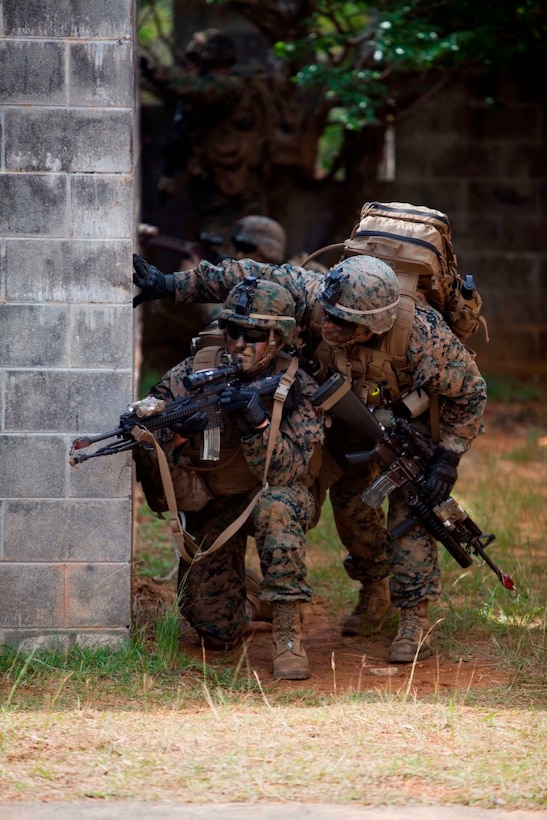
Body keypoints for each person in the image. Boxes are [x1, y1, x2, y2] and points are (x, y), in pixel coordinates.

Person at [132, 250, 488, 664]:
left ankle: (413, 616)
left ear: (373, 324)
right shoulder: (316, 295)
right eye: (328, 315)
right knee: (354, 509)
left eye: (343, 322)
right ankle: (374, 590)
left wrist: (448, 456)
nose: (329, 324)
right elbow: (247, 274)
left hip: (407, 432)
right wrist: (171, 285)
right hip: (340, 420)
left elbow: (471, 394)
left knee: (412, 511)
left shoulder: (423, 337)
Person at [134, 277, 324, 680]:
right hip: (216, 502)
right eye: (231, 331)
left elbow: (290, 471)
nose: (237, 342)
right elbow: (153, 431)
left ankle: (288, 633)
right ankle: (254, 602)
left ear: (277, 338)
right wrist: (178, 435)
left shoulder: (297, 384)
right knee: (213, 629)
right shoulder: (198, 371)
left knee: (277, 507)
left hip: (275, 496)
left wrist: (256, 419)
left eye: (251, 333)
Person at [140, 28, 269, 249]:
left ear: (211, 61)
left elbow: (193, 87)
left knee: (228, 260)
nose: (190, 66)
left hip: (236, 200)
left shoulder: (230, 88)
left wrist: (149, 67)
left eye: (195, 60)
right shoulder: (204, 96)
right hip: (214, 195)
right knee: (212, 253)